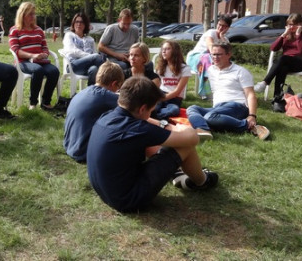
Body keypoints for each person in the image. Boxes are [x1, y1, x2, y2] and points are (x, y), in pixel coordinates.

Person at [86, 76, 219, 213]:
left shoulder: (108, 116)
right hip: (129, 201)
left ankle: (178, 173)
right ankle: (202, 182)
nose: (151, 114)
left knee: (156, 143)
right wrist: (172, 126)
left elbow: (145, 122)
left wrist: (161, 124)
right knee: (184, 145)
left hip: (109, 194)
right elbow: (192, 138)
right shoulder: (137, 129)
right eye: (151, 110)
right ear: (143, 109)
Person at [186, 43, 270, 140]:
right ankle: (204, 129)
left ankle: (247, 125)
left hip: (237, 106)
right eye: (213, 54)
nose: (215, 57)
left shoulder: (240, 71)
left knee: (210, 117)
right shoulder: (211, 70)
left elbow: (250, 94)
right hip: (219, 107)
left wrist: (252, 115)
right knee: (192, 108)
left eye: (219, 54)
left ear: (228, 54)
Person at [63, 61, 124, 163]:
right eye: (118, 87)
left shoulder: (84, 92)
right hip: (83, 152)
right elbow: (132, 109)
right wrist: (159, 123)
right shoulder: (105, 96)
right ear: (114, 84)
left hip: (69, 145)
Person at [8, 2, 59, 110]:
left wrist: (44, 54)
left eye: (34, 14)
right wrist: (32, 55)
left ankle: (46, 102)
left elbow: (45, 47)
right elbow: (16, 50)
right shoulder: (15, 30)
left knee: (54, 71)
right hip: (23, 62)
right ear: (23, 15)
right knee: (37, 70)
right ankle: (33, 103)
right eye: (30, 14)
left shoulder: (39, 30)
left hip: (40, 60)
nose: (33, 16)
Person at [253, 13, 302, 98]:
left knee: (283, 58)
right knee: (282, 68)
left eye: (293, 25)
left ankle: (264, 82)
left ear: (300, 24)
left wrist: (298, 35)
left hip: (301, 63)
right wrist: (283, 35)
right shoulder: (287, 36)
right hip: (285, 62)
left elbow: (301, 50)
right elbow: (273, 48)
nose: (291, 27)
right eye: (289, 25)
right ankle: (277, 97)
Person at [186, 14, 232, 99]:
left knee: (226, 62)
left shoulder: (225, 39)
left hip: (212, 59)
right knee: (208, 58)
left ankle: (224, 89)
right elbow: (211, 48)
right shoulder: (211, 33)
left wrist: (222, 37)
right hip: (196, 58)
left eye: (224, 26)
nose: (220, 27)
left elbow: (228, 54)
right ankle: (207, 91)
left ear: (228, 28)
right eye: (219, 24)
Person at [61, 12, 105, 86]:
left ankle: (90, 93)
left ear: (85, 25)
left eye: (82, 22)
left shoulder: (90, 39)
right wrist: (90, 56)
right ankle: (109, 78)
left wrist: (92, 57)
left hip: (87, 67)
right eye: (77, 22)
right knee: (97, 57)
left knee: (94, 69)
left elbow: (94, 52)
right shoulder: (69, 35)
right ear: (73, 23)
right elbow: (72, 51)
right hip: (73, 65)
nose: (79, 24)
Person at [152, 40, 191, 120]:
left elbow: (177, 91)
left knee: (174, 110)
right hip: (161, 94)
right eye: (163, 49)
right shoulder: (161, 67)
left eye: (167, 49)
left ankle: (154, 117)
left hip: (174, 99)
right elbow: (156, 85)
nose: (163, 51)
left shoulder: (185, 69)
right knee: (153, 107)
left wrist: (162, 98)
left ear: (175, 51)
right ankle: (155, 115)